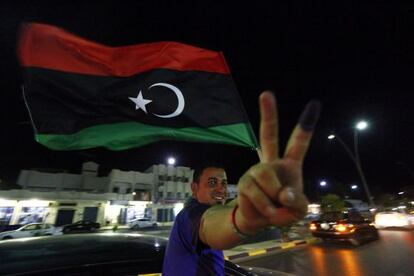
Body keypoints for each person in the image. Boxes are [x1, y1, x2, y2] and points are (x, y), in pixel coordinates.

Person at [162, 91, 321, 275]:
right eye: (212, 182)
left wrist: (267, 194)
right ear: (194, 188)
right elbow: (211, 224)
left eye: (223, 182)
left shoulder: (208, 212)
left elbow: (231, 209)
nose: (221, 188)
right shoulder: (189, 217)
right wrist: (241, 220)